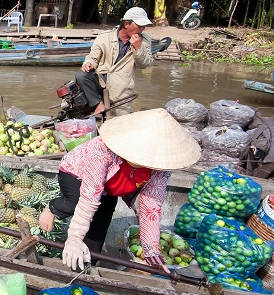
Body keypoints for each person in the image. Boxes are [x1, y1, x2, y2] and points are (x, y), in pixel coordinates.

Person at [38, 108, 201, 272]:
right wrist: (74, 239)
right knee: (73, 203)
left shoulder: (160, 168)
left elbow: (151, 207)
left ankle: (85, 269)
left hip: (111, 187)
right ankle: (53, 208)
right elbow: (89, 199)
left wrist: (151, 251)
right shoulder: (101, 152)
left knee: (98, 230)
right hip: (77, 172)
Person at [76, 7, 154, 117]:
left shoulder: (144, 41)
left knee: (118, 121)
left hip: (121, 86)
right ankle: (98, 104)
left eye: (143, 26)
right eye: (139, 26)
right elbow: (92, 58)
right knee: (81, 75)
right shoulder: (104, 37)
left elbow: (144, 64)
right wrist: (88, 63)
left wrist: (138, 48)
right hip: (100, 80)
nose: (142, 29)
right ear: (126, 24)